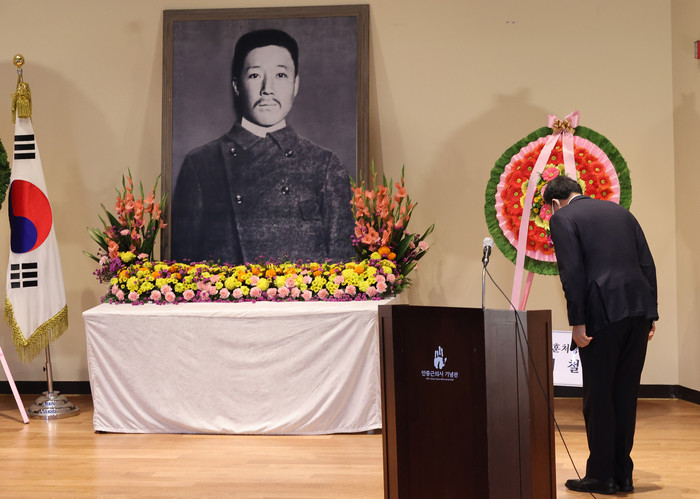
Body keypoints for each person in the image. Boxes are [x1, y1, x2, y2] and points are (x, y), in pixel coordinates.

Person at [171, 29, 355, 265]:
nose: (268, 88)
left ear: (295, 85)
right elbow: (182, 269)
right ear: (237, 86)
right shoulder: (201, 164)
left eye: (280, 75)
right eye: (255, 75)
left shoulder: (325, 165)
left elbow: (344, 267)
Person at [543, 175, 658, 495]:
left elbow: (572, 272)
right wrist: (651, 313)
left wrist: (578, 321)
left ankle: (601, 476)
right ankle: (623, 475)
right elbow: (647, 264)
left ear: (555, 203)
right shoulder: (621, 212)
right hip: (638, 310)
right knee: (625, 395)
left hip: (602, 315)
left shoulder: (562, 217)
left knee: (599, 397)